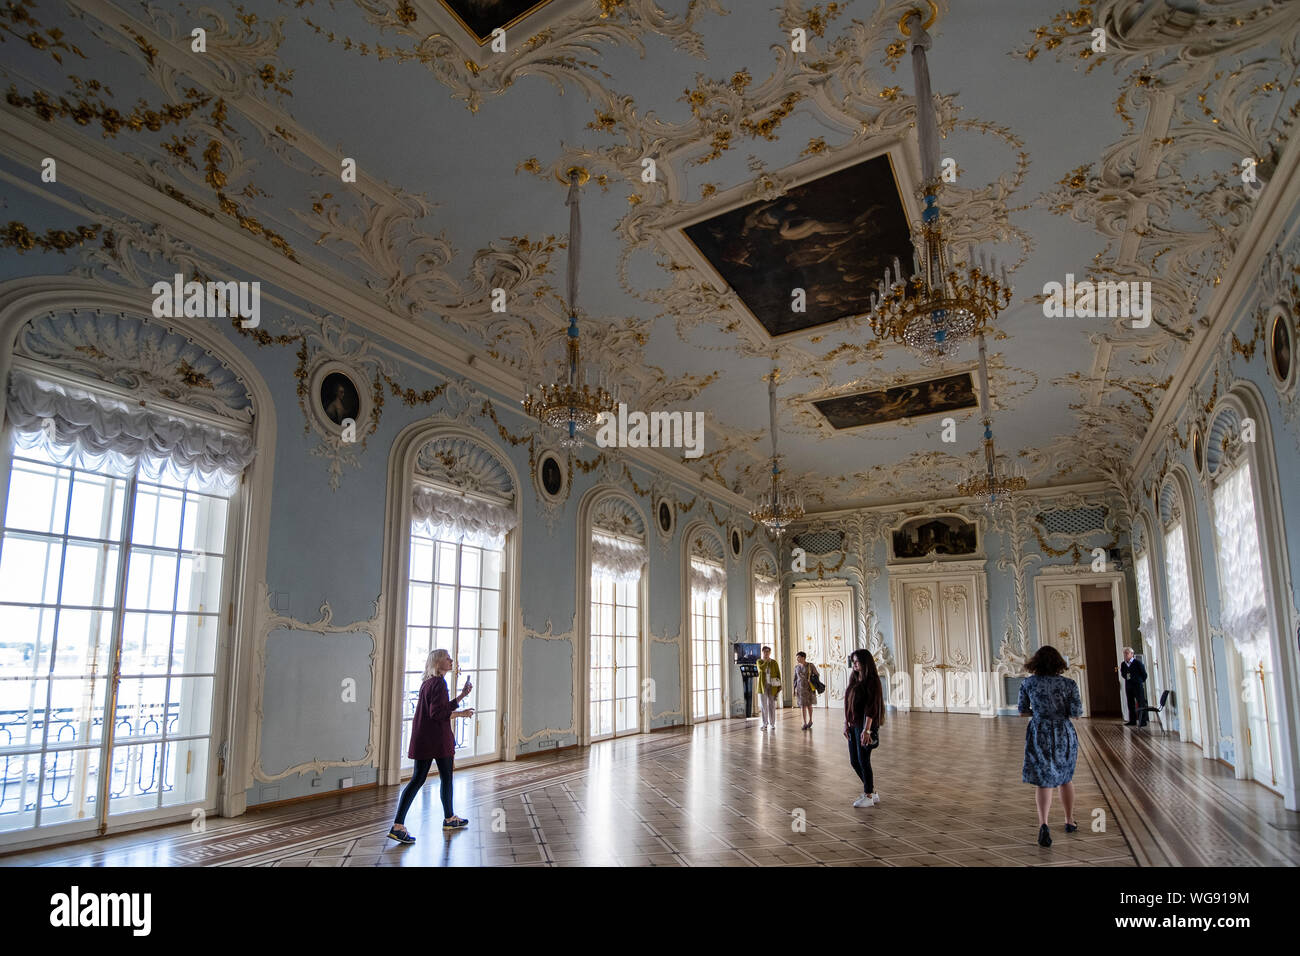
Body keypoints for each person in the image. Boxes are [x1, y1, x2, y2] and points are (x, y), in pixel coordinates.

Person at [388, 649, 475, 843]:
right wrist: (461, 714)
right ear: (437, 663)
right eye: (447, 658)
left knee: (419, 779)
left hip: (425, 738)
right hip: (436, 739)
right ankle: (442, 819)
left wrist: (461, 696)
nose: (451, 661)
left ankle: (403, 823)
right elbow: (438, 714)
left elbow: (439, 709)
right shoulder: (439, 683)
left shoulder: (428, 683)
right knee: (444, 778)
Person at [1019, 644, 1082, 847]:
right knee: (1065, 777)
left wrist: (1038, 713)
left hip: (1040, 732)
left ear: (1035, 663)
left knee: (1044, 780)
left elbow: (1022, 711)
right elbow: (1076, 713)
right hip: (1063, 732)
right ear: (1058, 663)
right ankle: (1069, 820)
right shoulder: (1069, 684)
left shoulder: (1028, 684)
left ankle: (1043, 824)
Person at [844, 648, 883, 808]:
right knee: (854, 761)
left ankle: (868, 795)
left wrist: (866, 730)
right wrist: (846, 723)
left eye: (857, 661)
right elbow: (847, 702)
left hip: (865, 725)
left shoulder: (872, 681)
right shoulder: (854, 678)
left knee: (863, 760)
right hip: (853, 724)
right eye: (853, 661)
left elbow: (871, 707)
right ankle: (871, 792)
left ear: (864, 662)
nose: (854, 664)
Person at [1120, 647, 1148, 727]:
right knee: (1130, 703)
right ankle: (1132, 720)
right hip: (1129, 686)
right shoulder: (1123, 664)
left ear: (1132, 654)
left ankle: (1142, 721)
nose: (1125, 655)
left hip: (1137, 686)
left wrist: (1139, 681)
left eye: (1127, 653)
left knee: (1140, 702)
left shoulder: (1137, 663)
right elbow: (1123, 673)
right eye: (1124, 653)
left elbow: (1144, 674)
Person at [756, 645, 781, 730]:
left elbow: (778, 673)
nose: (766, 653)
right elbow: (761, 669)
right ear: (762, 652)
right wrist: (766, 661)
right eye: (765, 652)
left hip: (772, 686)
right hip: (762, 686)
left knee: (772, 705)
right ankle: (765, 724)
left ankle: (772, 723)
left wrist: (779, 686)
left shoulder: (774, 662)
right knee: (764, 706)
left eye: (768, 652)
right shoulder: (759, 661)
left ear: (770, 653)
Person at [794, 651, 819, 730]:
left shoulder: (810, 665)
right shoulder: (796, 667)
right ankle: (804, 723)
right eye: (797, 657)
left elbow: (817, 674)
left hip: (808, 688)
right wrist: (794, 689)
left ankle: (810, 720)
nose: (797, 659)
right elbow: (795, 679)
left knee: (809, 705)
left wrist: (811, 678)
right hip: (800, 688)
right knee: (802, 706)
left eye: (798, 657)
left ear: (803, 657)